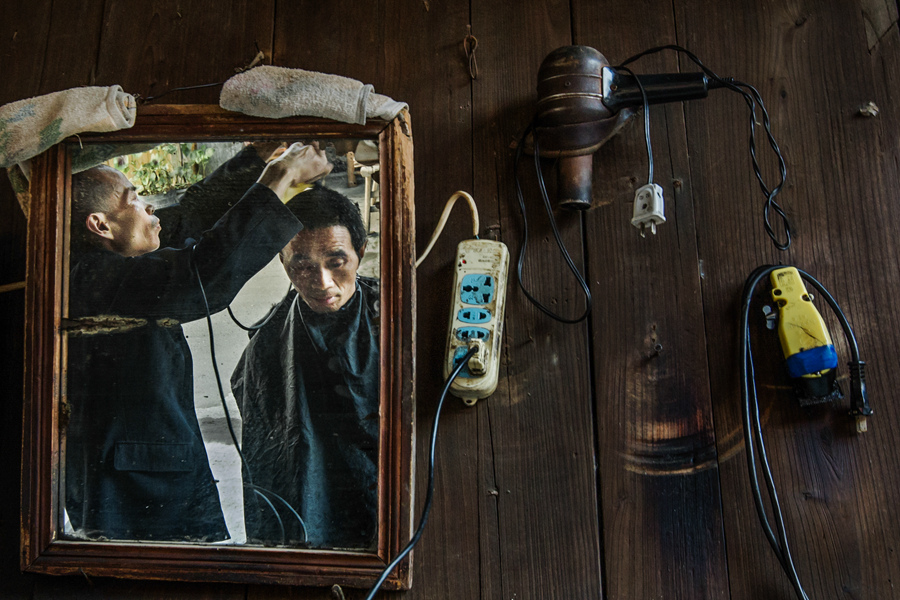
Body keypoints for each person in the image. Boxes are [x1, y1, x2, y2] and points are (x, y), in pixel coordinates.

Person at [64, 142, 331, 542]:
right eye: (133, 199)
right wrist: (281, 177)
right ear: (100, 225)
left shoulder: (105, 259)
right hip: (135, 487)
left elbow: (190, 214)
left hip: (144, 467)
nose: (149, 207)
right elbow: (204, 272)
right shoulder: (95, 278)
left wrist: (256, 158)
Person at [231, 184, 379, 549]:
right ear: (283, 263)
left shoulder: (392, 315)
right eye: (302, 266)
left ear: (360, 252)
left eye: (336, 262)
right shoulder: (268, 340)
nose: (322, 282)